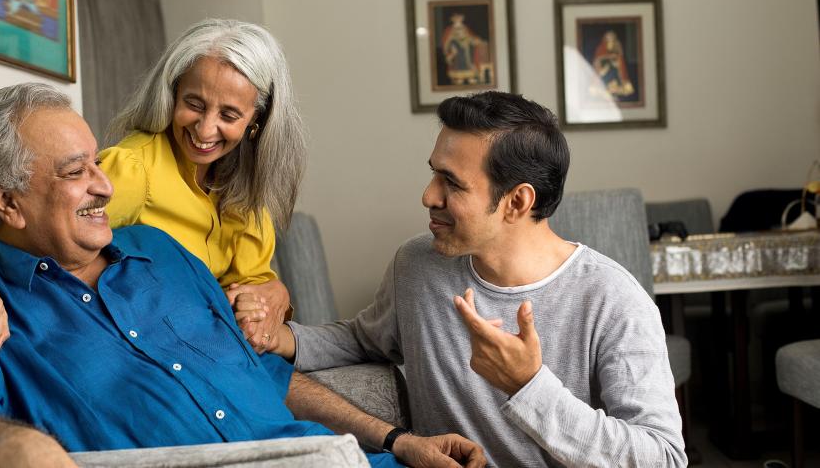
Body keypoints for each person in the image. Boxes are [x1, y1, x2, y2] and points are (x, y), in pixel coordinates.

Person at [0, 84, 486, 468]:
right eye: (77, 172)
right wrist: (20, 450)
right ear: (7, 202)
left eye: (97, 163)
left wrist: (398, 439)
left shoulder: (159, 251)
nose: (104, 186)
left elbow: (266, 374)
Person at [267, 91, 687, 466]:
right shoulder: (417, 265)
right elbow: (362, 340)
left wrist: (529, 386)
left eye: (451, 182)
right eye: (434, 173)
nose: (429, 196)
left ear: (517, 201)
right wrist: (282, 338)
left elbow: (663, 457)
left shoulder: (614, 301)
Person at [0, 19, 301, 353]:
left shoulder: (248, 189)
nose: (204, 130)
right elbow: (15, 224)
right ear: (172, 95)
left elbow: (256, 281)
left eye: (229, 115)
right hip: (148, 350)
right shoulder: (133, 168)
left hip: (220, 350)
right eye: (193, 103)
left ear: (257, 122)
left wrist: (277, 294)